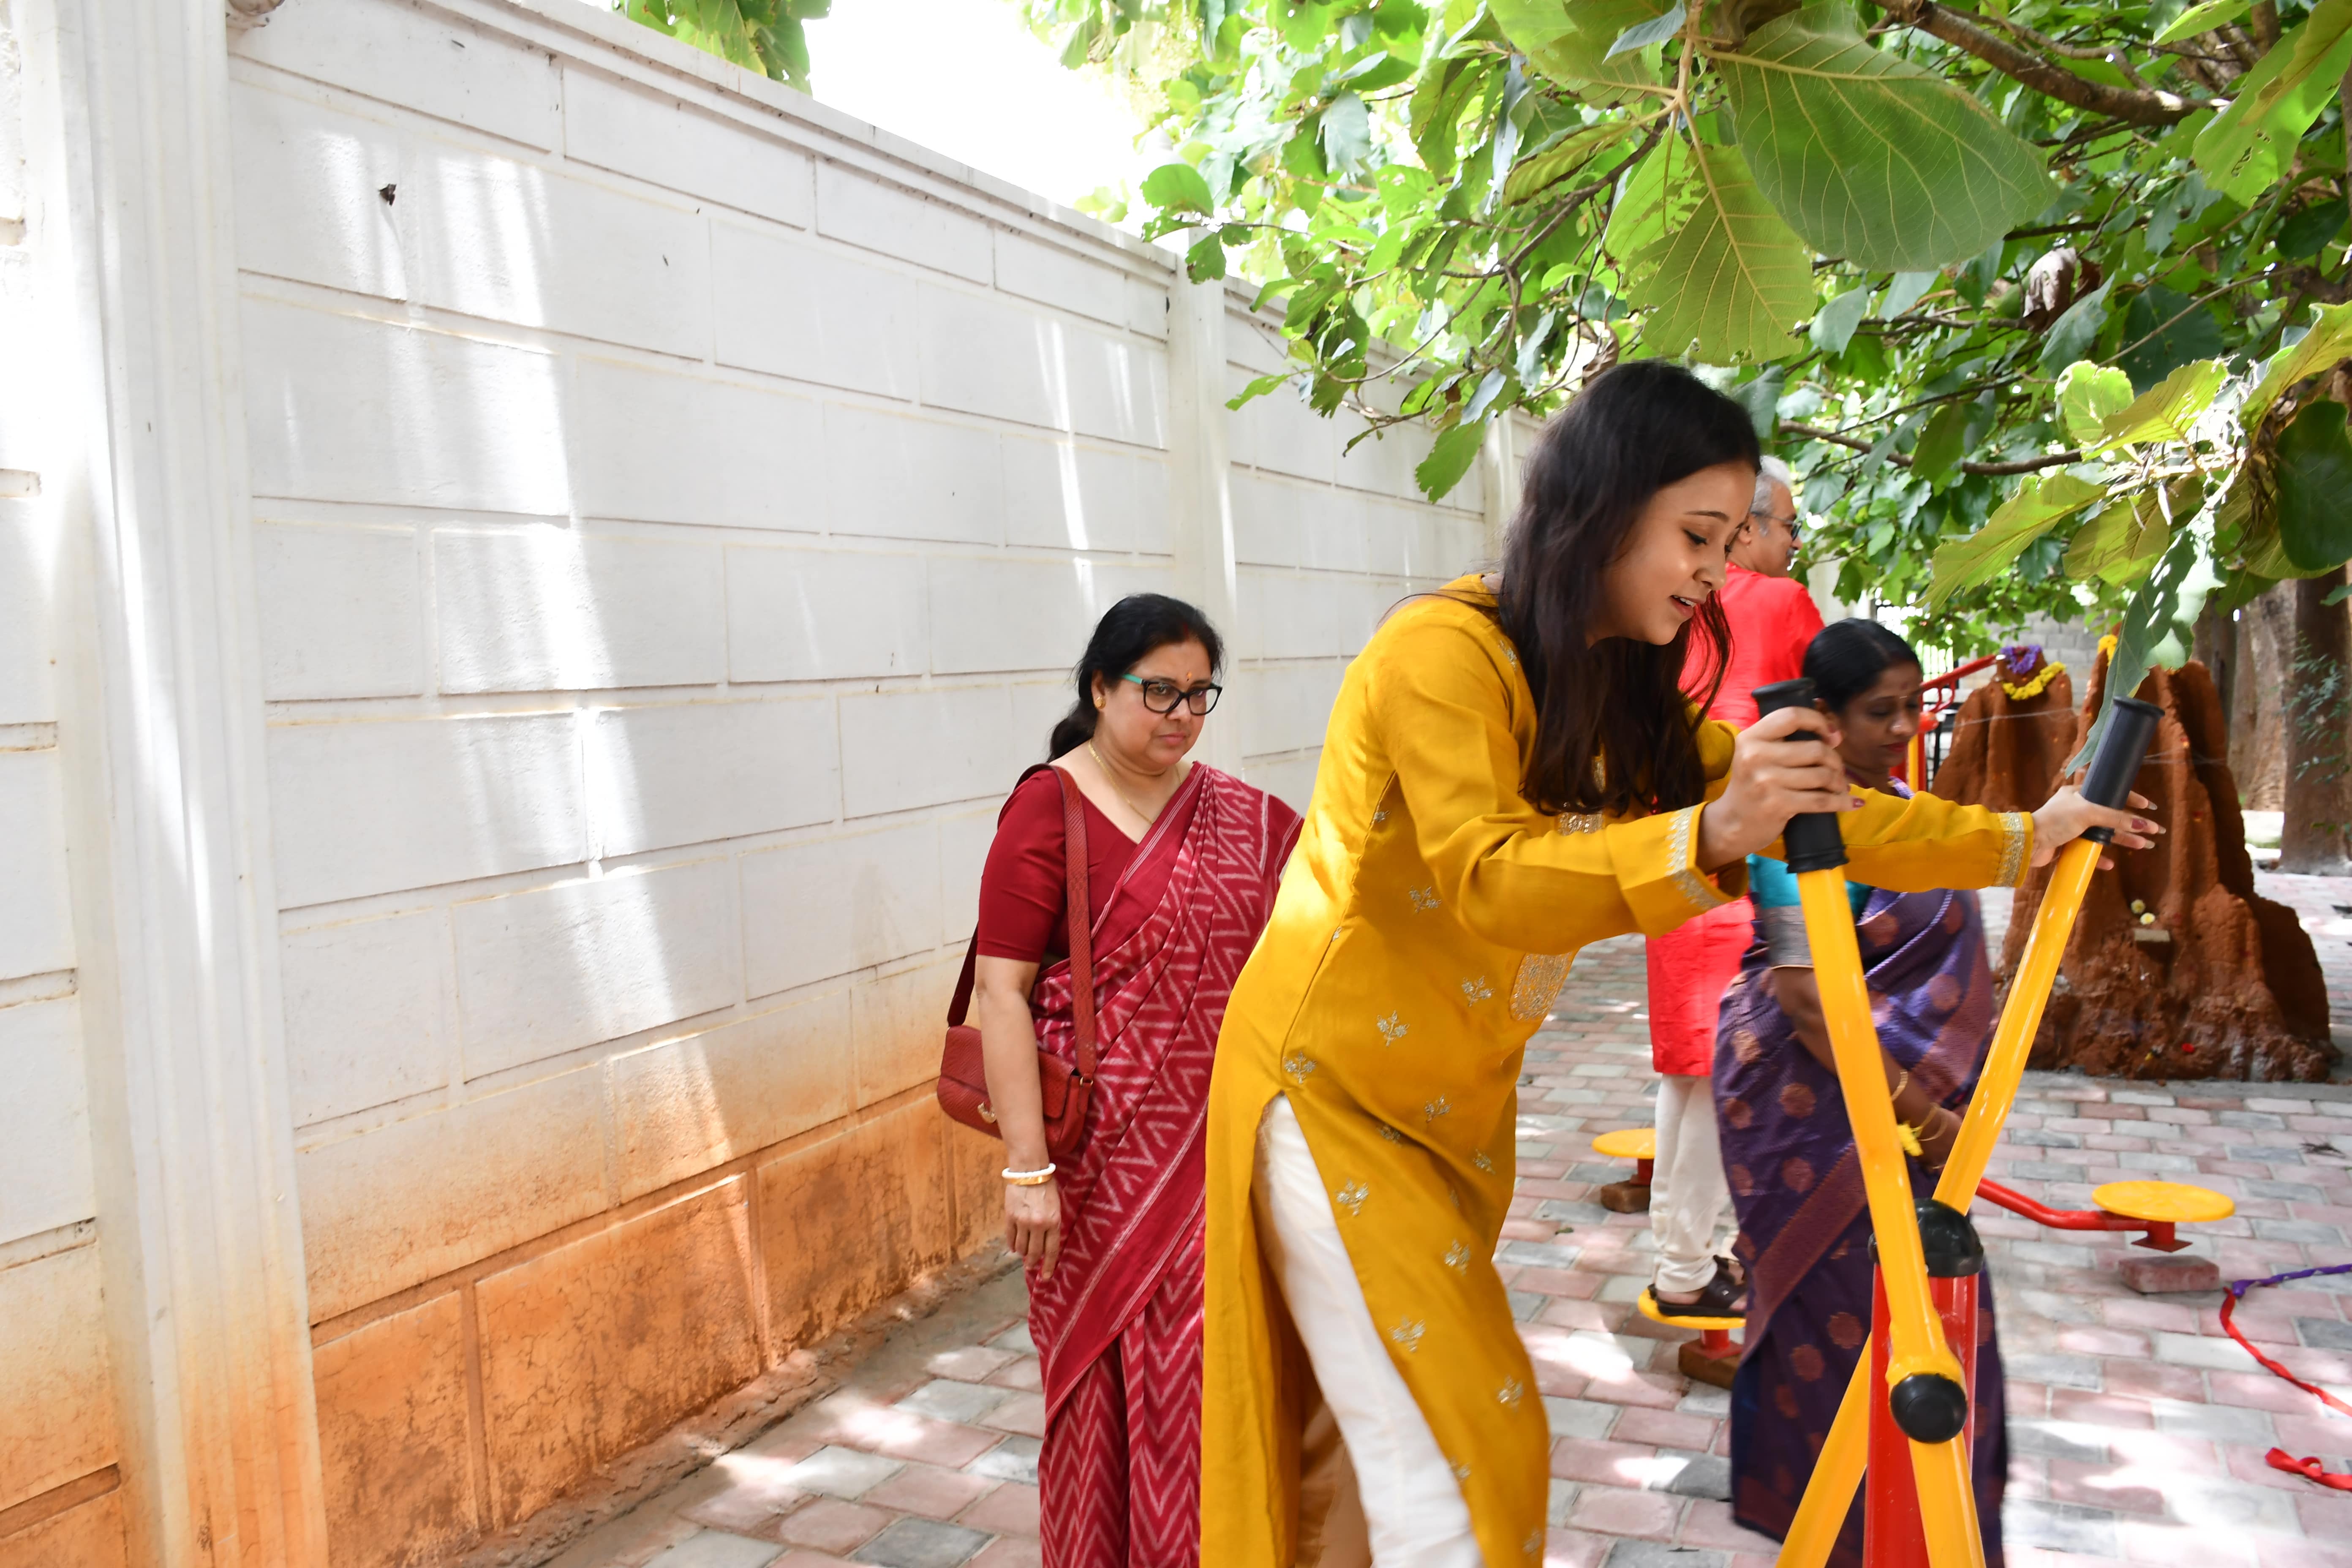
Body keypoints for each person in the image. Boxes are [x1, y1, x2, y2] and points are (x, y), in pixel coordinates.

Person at [1192, 359, 2158, 1568]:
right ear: (1600, 509)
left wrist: (2022, 838)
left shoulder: (1615, 689)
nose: (1715, 569)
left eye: (1729, 538)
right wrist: (1708, 835)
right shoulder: (1439, 653)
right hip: (1328, 1095)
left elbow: (1821, 806)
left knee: (1383, 1455)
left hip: (1450, 1117)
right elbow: (1490, 879)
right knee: (1456, 1455)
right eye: (1696, 535)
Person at [972, 594, 1301, 1568]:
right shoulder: (1051, 805)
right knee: (1097, 1401)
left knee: (1205, 1394)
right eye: (1158, 690)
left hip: (1219, 1160)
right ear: (1100, 688)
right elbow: (1002, 990)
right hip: (1096, 1175)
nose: (1182, 714)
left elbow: (1324, 923)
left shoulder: (1242, 815)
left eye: (1199, 693)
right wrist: (1027, 1169)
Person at [1717, 620, 2018, 1566]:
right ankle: (1845, 1540)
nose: (1902, 726)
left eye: (1911, 705)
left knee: (1933, 1317)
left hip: (1888, 1108)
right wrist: (1924, 1114)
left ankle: (1928, 1539)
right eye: (1879, 710)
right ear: (1828, 718)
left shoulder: (1895, 811)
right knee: (1857, 1330)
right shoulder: (1797, 825)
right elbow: (1808, 997)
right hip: (1811, 1108)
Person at [1641, 455, 1827, 1318]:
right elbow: (1826, 726)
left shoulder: (1668, 607)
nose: (1794, 543)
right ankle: (1688, 1268)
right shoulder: (1782, 602)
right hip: (1752, 867)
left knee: (1689, 1072)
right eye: (1789, 526)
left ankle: (1680, 1256)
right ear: (1744, 528)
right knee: (1731, 1075)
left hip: (1670, 853)